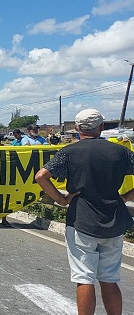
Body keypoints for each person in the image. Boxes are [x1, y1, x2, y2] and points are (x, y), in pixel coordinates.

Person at [35, 109, 134, 315]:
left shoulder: (69, 152)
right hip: (114, 221)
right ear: (101, 127)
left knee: (84, 278)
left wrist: (61, 199)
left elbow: (41, 176)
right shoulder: (119, 151)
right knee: (109, 278)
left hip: (82, 220)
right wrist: (126, 197)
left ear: (78, 129)